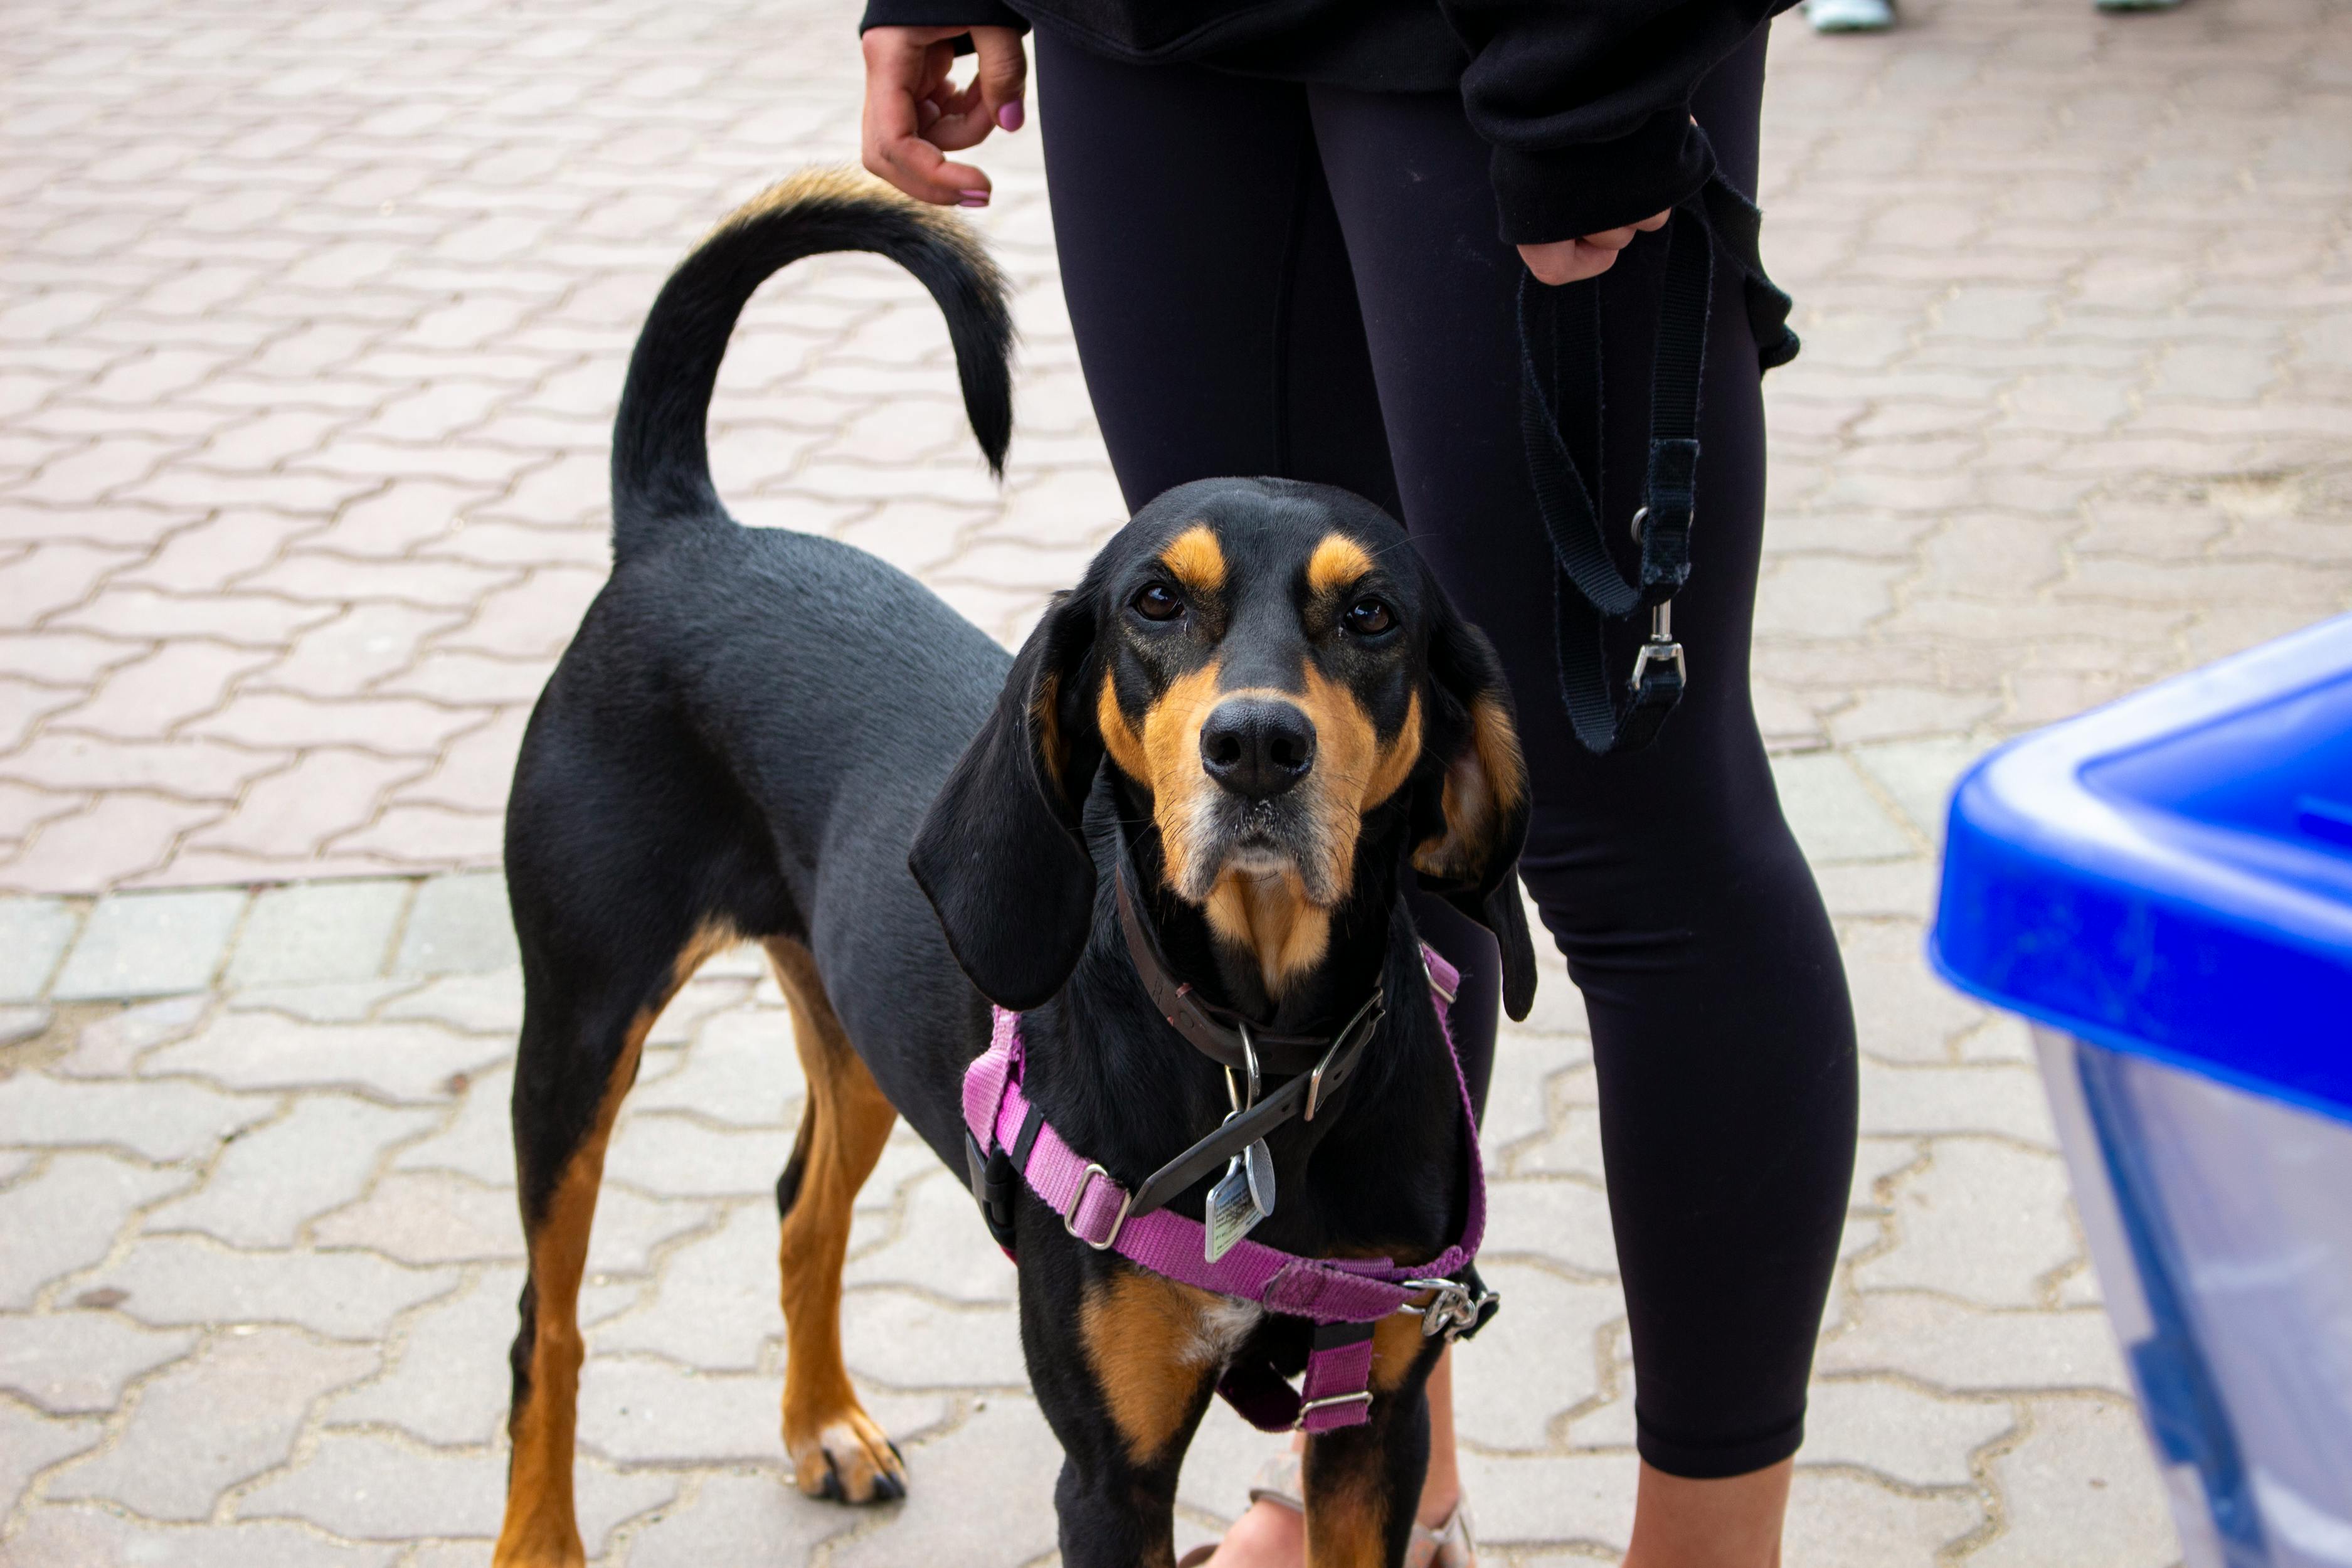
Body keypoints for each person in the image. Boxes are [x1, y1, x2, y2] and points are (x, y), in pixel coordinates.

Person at [855, 4, 1860, 1564]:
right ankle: (1382, 1469)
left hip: (1517, 33)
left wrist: (1609, 47)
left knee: (1635, 844)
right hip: (1157, 34)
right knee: (1295, 773)